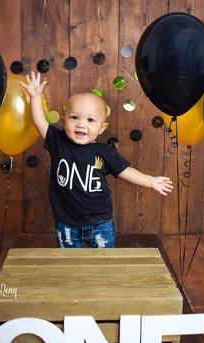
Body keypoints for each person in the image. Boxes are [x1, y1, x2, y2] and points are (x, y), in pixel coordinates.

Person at [21, 72, 173, 248]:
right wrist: (35, 96)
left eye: (90, 120)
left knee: (104, 262)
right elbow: (39, 121)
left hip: (100, 222)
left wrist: (151, 181)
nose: (81, 124)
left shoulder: (104, 151)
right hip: (66, 222)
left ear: (102, 128)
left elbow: (125, 171)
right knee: (69, 262)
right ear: (64, 121)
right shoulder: (58, 142)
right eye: (74, 117)